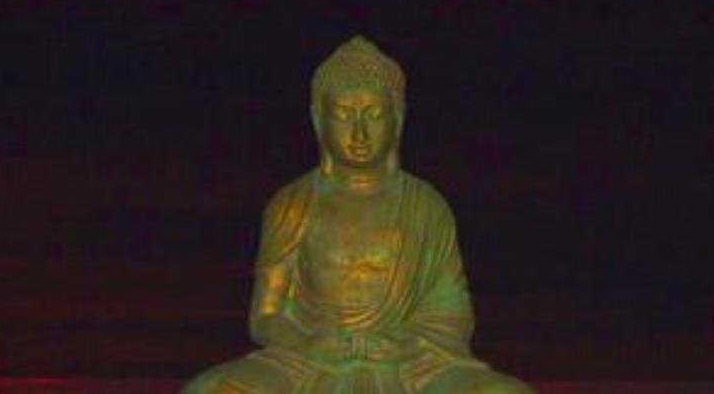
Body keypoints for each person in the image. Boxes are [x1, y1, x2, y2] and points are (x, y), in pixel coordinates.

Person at [183, 36, 533, 394]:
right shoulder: (292, 203)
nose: (360, 133)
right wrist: (310, 341)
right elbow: (266, 317)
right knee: (209, 390)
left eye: (375, 115)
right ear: (318, 119)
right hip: (308, 362)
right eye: (343, 115)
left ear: (398, 118)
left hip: (408, 366)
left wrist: (403, 343)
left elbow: (452, 316)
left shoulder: (427, 206)